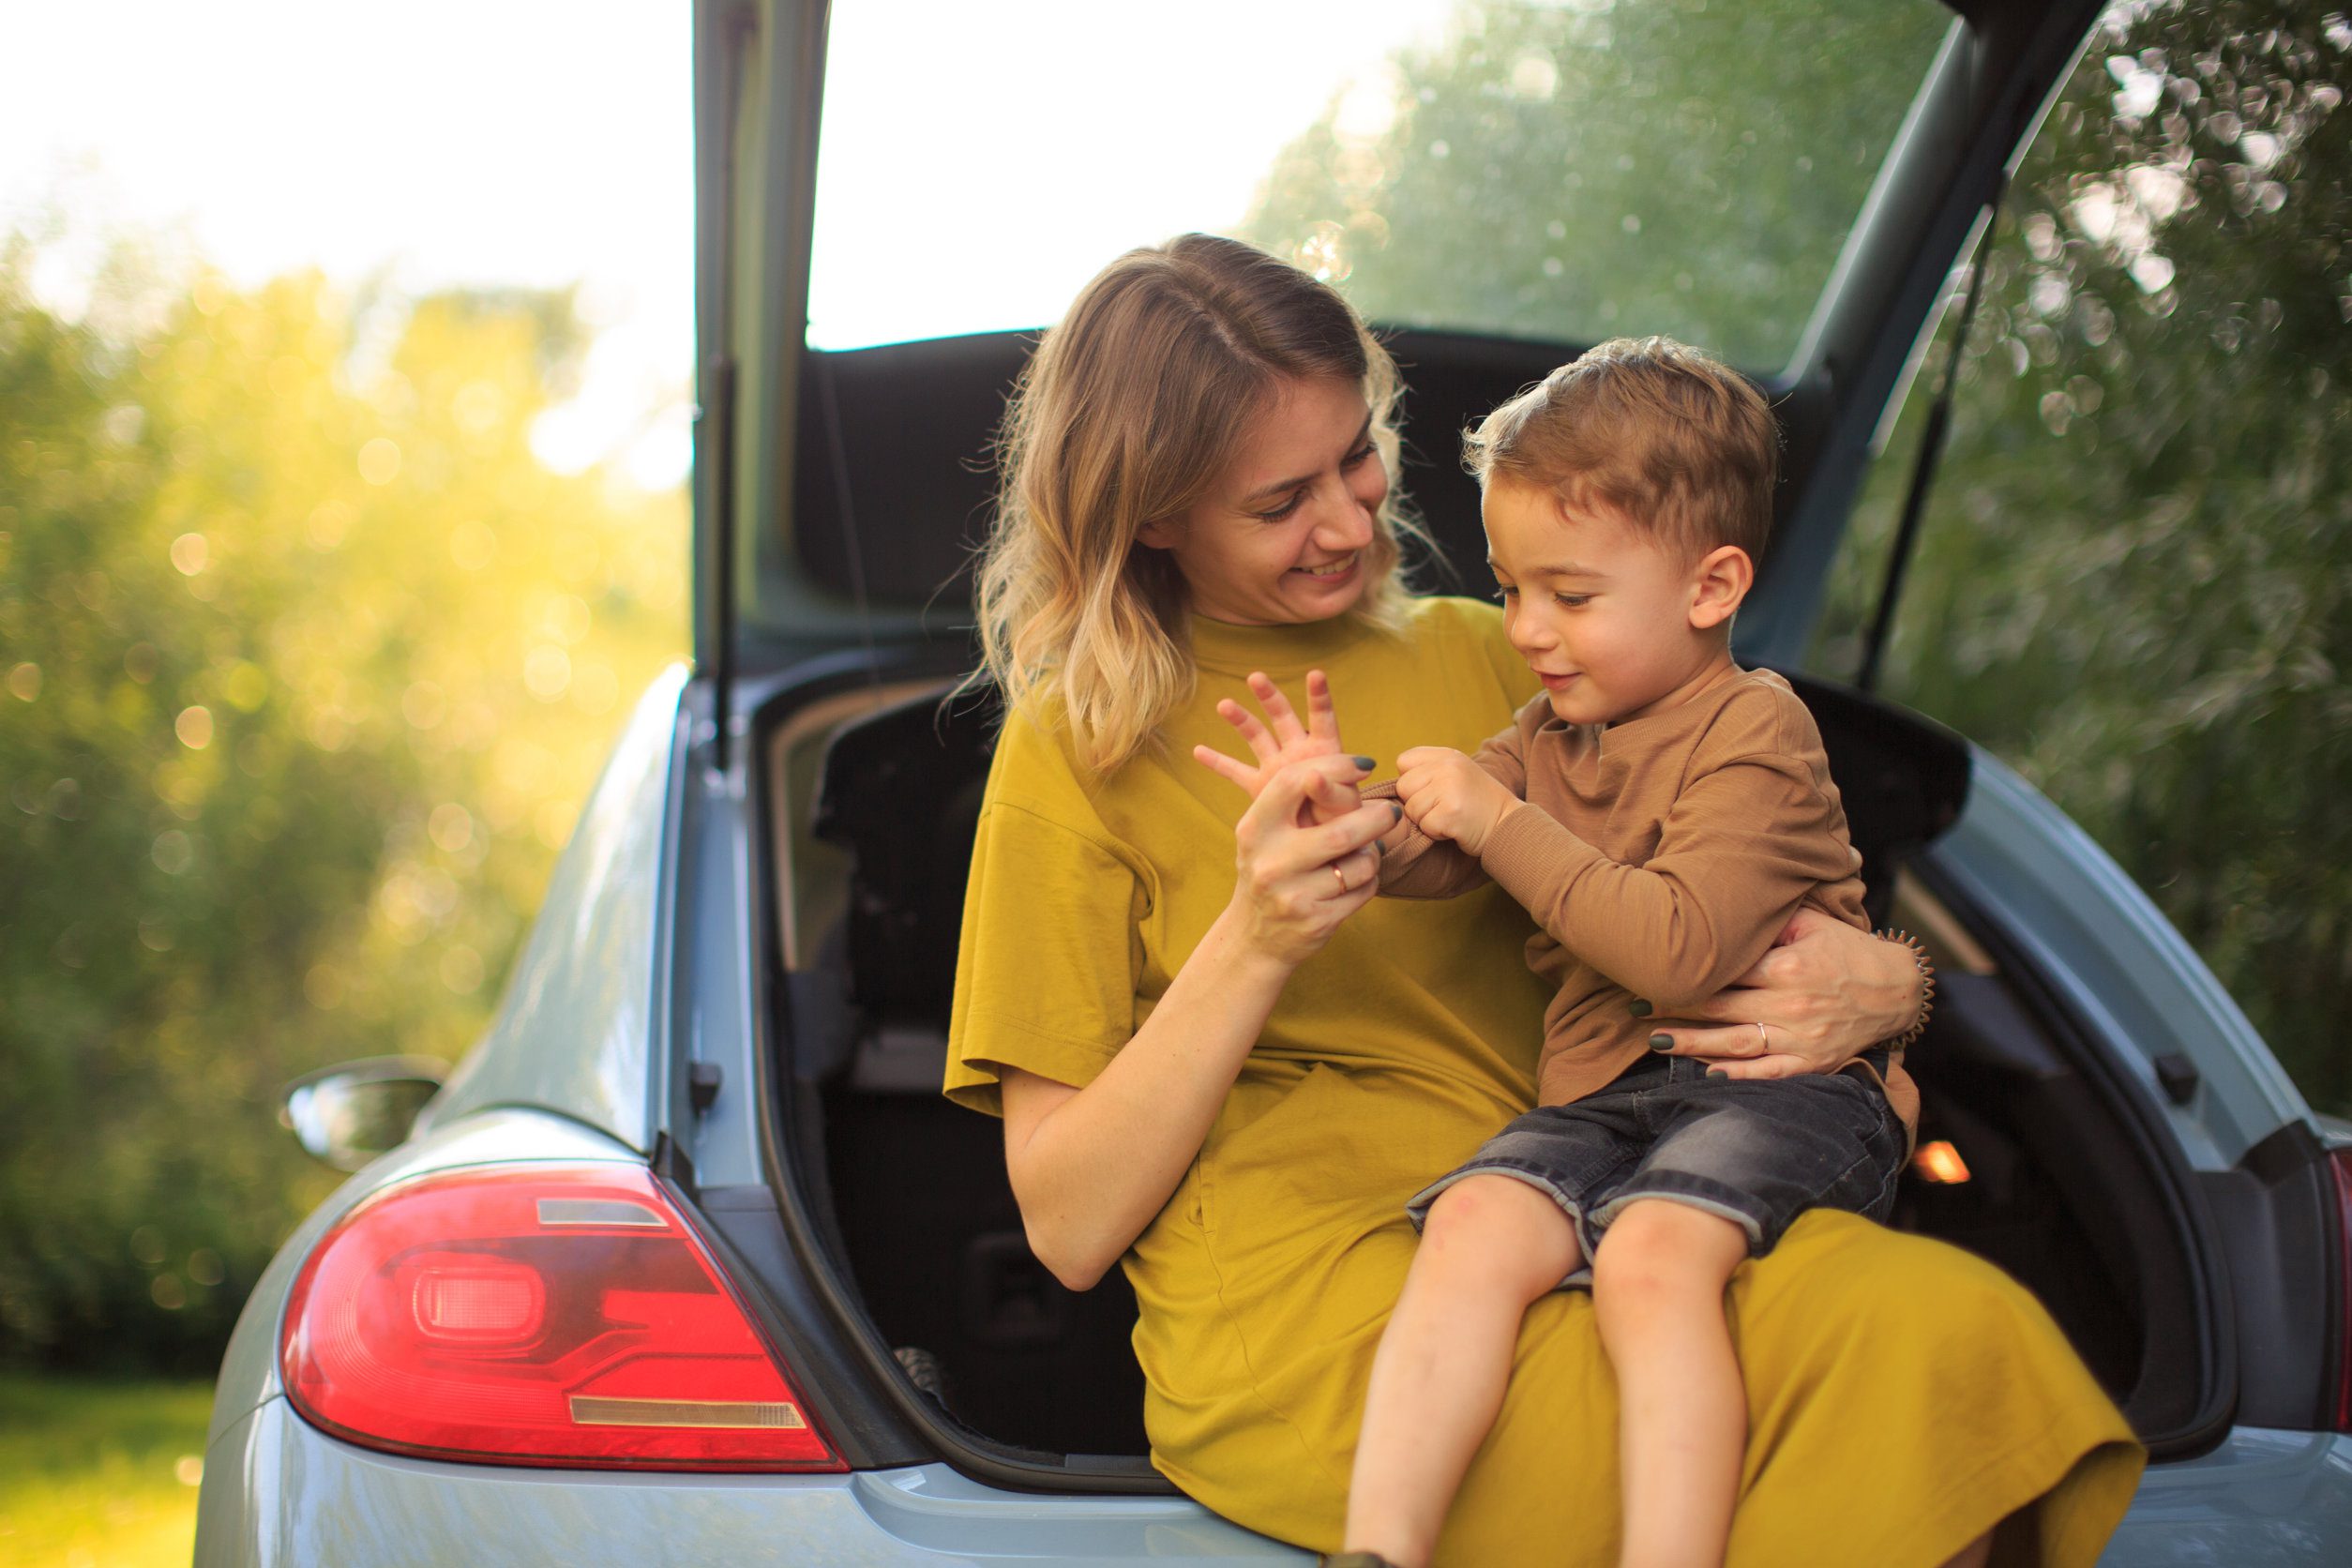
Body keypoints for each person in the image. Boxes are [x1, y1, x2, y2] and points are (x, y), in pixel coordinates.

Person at [942, 233, 2143, 1566]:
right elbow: (1065, 1224)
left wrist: (1890, 987)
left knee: (1945, 1337)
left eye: (1356, 454)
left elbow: (1729, 901)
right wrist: (1261, 933)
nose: (1348, 518)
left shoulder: (1515, 655)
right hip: (1335, 1308)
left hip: (1627, 1197)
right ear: (1155, 515)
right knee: (1847, 1408)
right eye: (1280, 502)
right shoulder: (1075, 750)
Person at [1195, 338, 1914, 1568]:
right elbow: (1446, 855)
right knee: (1471, 1220)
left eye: (1569, 596)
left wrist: (1498, 820)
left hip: (1776, 1093)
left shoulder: (1756, 729)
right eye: (1510, 588)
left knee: (1653, 1254)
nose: (1527, 629)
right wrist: (1353, 832)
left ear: (1710, 586)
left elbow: (1678, 950)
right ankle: (1380, 1549)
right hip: (1608, 1101)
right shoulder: (1541, 733)